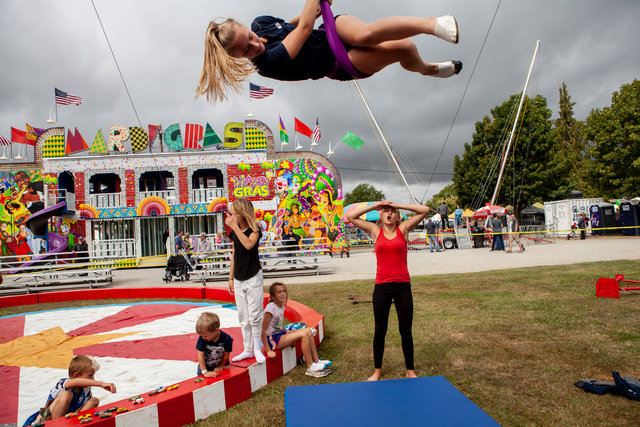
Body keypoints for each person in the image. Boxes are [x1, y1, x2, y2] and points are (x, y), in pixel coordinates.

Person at [196, 0, 462, 102]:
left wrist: (318, 6)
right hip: (339, 62)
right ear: (237, 57)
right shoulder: (268, 63)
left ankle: (433, 24)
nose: (256, 45)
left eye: (251, 38)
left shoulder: (260, 23)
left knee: (365, 33)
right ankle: (429, 69)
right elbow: (302, 32)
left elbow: (295, 23)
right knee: (405, 47)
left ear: (248, 27)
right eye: (247, 50)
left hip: (330, 31)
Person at [346, 201, 430, 381]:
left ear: (398, 216)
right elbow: (350, 217)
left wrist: (396, 204)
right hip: (382, 287)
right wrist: (377, 206)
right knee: (380, 330)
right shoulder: (375, 231)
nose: (389, 214)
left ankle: (410, 370)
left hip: (402, 286)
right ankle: (377, 371)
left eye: (393, 212)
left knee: (405, 330)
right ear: (381, 216)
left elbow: (425, 210)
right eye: (386, 212)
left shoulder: (404, 229)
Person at [262, 282, 331, 377]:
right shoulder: (270, 309)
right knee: (303, 334)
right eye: (279, 292)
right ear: (273, 297)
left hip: (279, 335)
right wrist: (268, 350)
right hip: (272, 340)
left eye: (284, 291)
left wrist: (289, 335)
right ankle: (310, 367)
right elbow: (262, 329)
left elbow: (278, 325)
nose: (282, 294)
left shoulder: (281, 305)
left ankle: (316, 360)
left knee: (308, 331)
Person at [226, 198, 266, 364]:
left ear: (242, 213)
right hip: (239, 277)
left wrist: (235, 227)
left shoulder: (254, 229)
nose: (231, 216)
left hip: (253, 276)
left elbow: (249, 245)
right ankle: (247, 349)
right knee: (243, 316)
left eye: (233, 213)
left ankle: (257, 348)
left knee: (255, 315)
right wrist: (230, 276)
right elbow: (235, 253)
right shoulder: (234, 232)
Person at [23, 355, 116, 426]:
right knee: (67, 395)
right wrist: (101, 384)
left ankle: (77, 424)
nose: (93, 379)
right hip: (45, 420)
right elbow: (75, 382)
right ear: (76, 375)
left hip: (69, 419)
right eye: (90, 376)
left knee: (94, 400)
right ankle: (56, 425)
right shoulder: (64, 383)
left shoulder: (86, 390)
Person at [195, 312, 233, 378]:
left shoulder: (227, 339)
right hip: (205, 366)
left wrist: (221, 365)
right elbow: (200, 355)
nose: (203, 338)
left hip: (221, 366)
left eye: (206, 336)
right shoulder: (202, 338)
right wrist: (205, 372)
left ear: (216, 330)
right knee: (203, 383)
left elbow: (226, 355)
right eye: (202, 336)